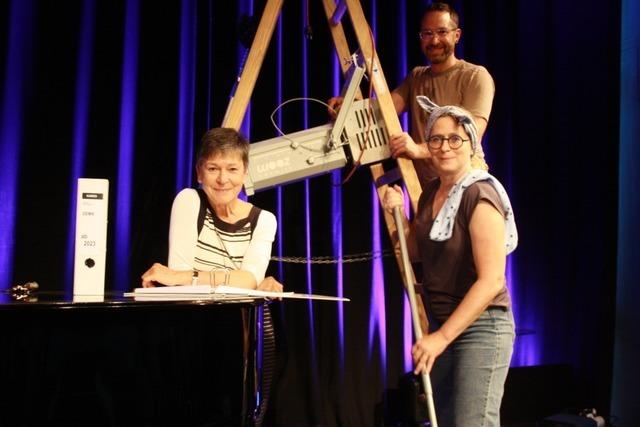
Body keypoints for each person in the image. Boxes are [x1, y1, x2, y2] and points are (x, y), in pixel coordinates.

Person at [382, 99, 517, 427]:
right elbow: (418, 252)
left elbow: (492, 281)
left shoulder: (480, 194)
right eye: (436, 139)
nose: (445, 147)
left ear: (471, 143)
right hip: (443, 325)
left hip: (482, 327)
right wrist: (397, 212)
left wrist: (440, 338)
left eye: (455, 138)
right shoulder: (431, 193)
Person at [328, 2, 494, 182]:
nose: (434, 41)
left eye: (442, 32)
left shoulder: (475, 76)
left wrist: (418, 149)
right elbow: (383, 109)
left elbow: (471, 134)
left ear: (457, 35)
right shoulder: (417, 77)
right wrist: (348, 106)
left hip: (466, 183)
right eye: (427, 34)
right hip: (429, 190)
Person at [141, 127, 282, 293]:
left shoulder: (264, 220)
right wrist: (238, 279)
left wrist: (184, 276)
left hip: (241, 310)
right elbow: (180, 280)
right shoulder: (189, 200)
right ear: (199, 173)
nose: (222, 179)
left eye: (232, 169)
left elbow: (250, 280)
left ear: (245, 173)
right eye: (213, 169)